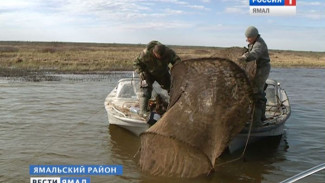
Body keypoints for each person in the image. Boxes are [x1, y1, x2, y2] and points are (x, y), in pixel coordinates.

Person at [133, 40, 181, 117]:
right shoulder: (145, 53)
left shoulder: (169, 53)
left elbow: (177, 61)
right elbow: (136, 63)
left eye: (162, 56)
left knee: (172, 88)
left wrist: (177, 69)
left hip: (163, 73)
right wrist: (140, 72)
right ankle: (143, 111)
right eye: (158, 56)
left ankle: (174, 107)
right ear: (154, 53)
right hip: (147, 74)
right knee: (145, 89)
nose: (160, 58)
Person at [238, 26, 271, 126]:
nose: (247, 39)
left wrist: (244, 57)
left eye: (248, 37)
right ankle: (261, 117)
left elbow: (254, 54)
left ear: (254, 36)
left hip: (262, 69)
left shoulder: (259, 44)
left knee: (256, 93)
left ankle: (256, 122)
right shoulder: (253, 43)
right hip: (258, 69)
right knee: (259, 92)